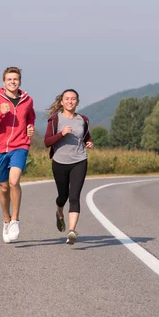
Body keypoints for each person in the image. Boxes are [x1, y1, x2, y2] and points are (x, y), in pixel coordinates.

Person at [0, 66, 36, 243]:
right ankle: (6, 221)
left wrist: (30, 127)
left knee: (14, 182)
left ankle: (15, 220)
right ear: (4, 82)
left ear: (20, 81)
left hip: (20, 145)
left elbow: (31, 117)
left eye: (16, 79)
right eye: (9, 79)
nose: (13, 82)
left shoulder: (27, 100)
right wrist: (0, 112)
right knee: (4, 187)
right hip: (0, 148)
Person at [44, 89, 93, 245]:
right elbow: (47, 142)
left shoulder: (83, 120)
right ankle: (59, 212)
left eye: (73, 99)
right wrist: (61, 134)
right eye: (67, 99)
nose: (70, 101)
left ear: (77, 102)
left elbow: (85, 136)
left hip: (79, 160)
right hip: (59, 162)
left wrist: (88, 143)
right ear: (61, 102)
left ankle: (71, 231)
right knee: (62, 196)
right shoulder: (55, 119)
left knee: (74, 197)